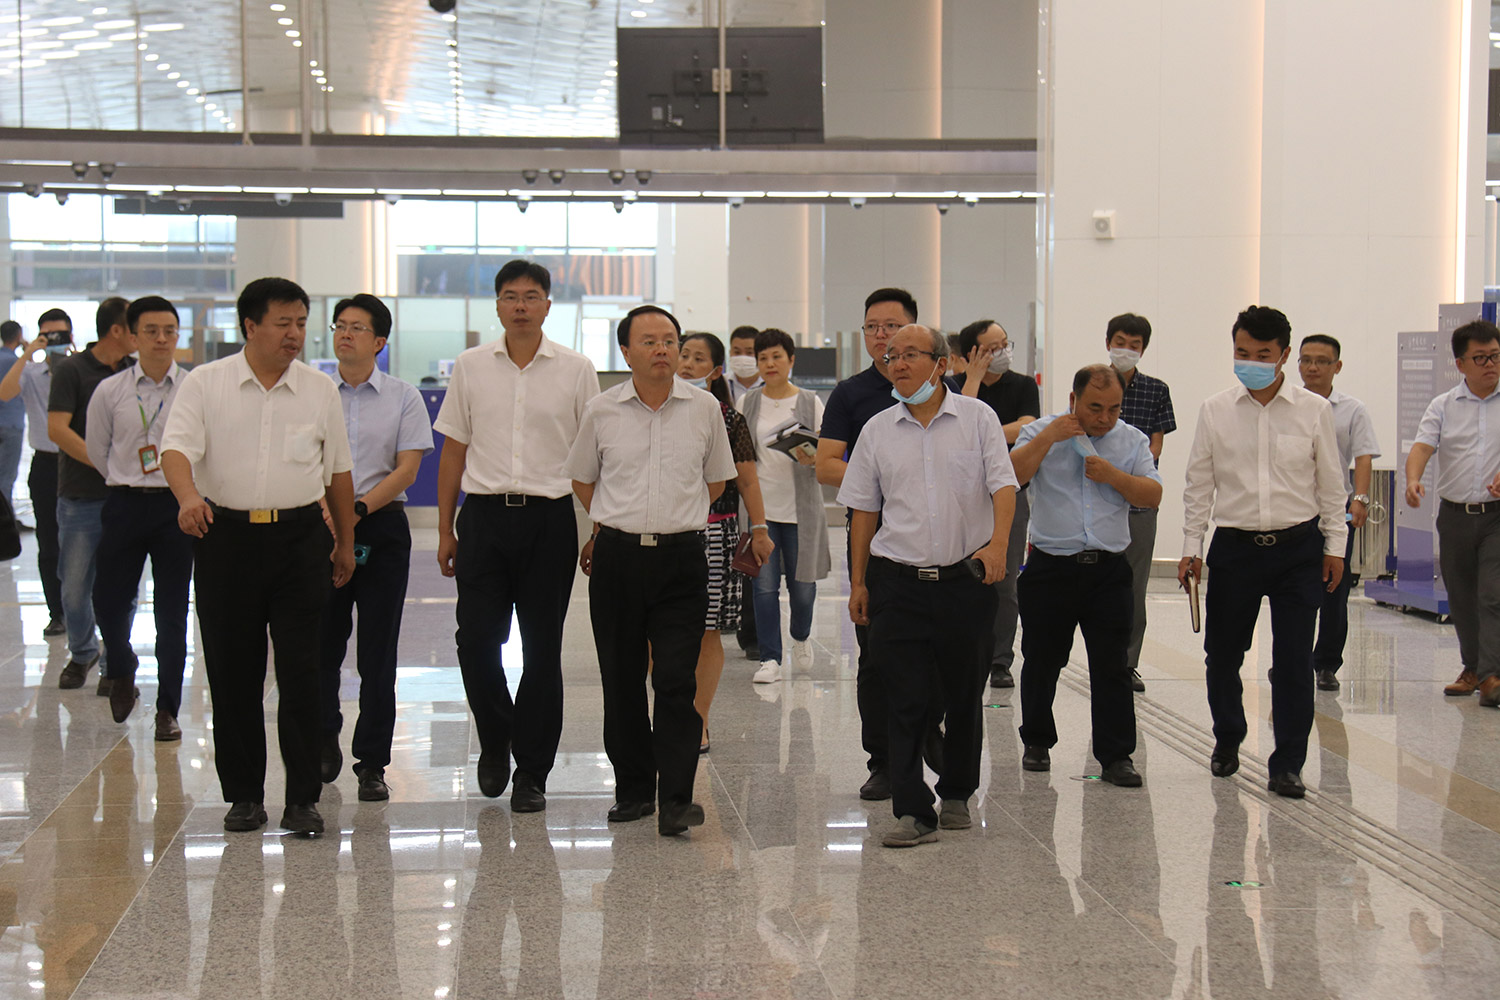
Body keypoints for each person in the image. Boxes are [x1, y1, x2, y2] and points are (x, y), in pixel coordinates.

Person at [162, 276, 356, 836]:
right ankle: (244, 796)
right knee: (233, 671)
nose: (294, 334)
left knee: (302, 671)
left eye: (301, 323)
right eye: (282, 323)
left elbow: (338, 473)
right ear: (250, 326)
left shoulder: (318, 389)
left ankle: (303, 800)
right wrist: (188, 497)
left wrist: (345, 542)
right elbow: (175, 449)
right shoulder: (206, 383)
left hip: (300, 541)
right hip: (226, 539)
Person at [839, 324, 1016, 847]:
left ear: (940, 364)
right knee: (904, 696)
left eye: (909, 354)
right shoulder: (876, 430)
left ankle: (957, 791)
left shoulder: (978, 419)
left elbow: (1003, 486)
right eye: (891, 356)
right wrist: (858, 582)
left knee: (963, 694)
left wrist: (999, 546)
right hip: (897, 582)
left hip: (966, 581)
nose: (896, 363)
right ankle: (912, 810)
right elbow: (863, 510)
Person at [435, 259, 599, 812]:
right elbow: (453, 451)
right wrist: (445, 528)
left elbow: (593, 456)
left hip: (549, 521)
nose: (521, 306)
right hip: (483, 519)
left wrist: (596, 527)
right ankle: (496, 734)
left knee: (541, 648)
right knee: (475, 641)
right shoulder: (471, 366)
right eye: (511, 296)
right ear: (498, 305)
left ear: (548, 305)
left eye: (531, 296)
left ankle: (532, 771)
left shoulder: (576, 369)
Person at [566, 304, 736, 836]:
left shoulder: (704, 408)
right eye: (649, 341)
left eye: (669, 340)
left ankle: (677, 799)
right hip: (617, 559)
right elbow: (583, 479)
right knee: (621, 679)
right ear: (626, 351)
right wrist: (617, 520)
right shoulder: (601, 410)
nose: (662, 349)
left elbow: (716, 481)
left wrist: (672, 515)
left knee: (676, 679)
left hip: (682, 558)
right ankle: (634, 791)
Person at [1179, 305, 1346, 799]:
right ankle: (1228, 736)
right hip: (1235, 549)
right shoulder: (1215, 410)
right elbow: (1198, 484)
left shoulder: (1313, 410)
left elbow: (1330, 484)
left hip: (1298, 548)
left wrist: (1335, 546)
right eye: (1242, 352)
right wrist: (1191, 547)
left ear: (1284, 355)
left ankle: (1288, 763)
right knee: (1222, 654)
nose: (1250, 362)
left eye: (1262, 354)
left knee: (1293, 661)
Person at [1008, 365, 1162, 786]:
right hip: (1051, 567)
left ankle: (1116, 756)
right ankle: (1037, 741)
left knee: (1112, 665)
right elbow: (1012, 476)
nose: (1104, 418)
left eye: (1114, 408)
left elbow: (1152, 494)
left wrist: (1113, 476)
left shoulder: (1131, 440)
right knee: (1042, 660)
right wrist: (1048, 438)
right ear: (1073, 400)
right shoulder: (1040, 431)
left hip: (1108, 571)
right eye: (1095, 408)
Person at [319, 294, 434, 801]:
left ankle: (372, 762)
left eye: (357, 328)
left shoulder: (403, 397)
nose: (346, 334)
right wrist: (330, 512)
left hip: (380, 528)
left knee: (378, 651)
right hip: (321, 527)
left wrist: (358, 509)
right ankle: (323, 738)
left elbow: (407, 469)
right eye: (340, 326)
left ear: (380, 341)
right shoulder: (316, 393)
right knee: (322, 644)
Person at [815, 287, 916, 801]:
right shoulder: (851, 394)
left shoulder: (948, 392)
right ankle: (883, 762)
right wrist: (885, 476)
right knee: (875, 656)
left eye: (892, 326)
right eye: (873, 327)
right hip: (873, 542)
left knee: (935, 656)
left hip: (938, 546)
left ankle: (928, 748)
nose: (882, 335)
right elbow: (826, 464)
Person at [85, 296, 194, 739]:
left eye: (169, 330)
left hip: (176, 507)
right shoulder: (110, 390)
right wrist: (127, 477)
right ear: (133, 337)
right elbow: (98, 450)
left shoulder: (193, 388)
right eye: (151, 331)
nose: (161, 339)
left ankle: (167, 708)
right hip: (125, 503)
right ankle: (121, 663)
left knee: (172, 610)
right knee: (108, 599)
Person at [678, 332, 772, 751]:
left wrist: (760, 528)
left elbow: (747, 480)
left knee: (706, 630)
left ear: (716, 371)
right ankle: (668, 713)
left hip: (715, 531)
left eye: (698, 359)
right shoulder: (653, 414)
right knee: (655, 633)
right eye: (684, 355)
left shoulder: (729, 419)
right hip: (666, 531)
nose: (687, 365)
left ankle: (698, 719)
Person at [1404, 319, 1500, 706]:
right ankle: (1473, 668)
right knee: (1461, 596)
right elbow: (1422, 447)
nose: (1490, 364)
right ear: (1460, 364)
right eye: (1481, 358)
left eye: (1495, 356)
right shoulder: (1443, 405)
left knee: (1492, 595)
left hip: (1497, 517)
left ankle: (1492, 677)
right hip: (1455, 514)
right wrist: (1413, 480)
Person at [48, 297, 136, 692]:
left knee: (123, 587)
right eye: (136, 328)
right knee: (74, 585)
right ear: (116, 330)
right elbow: (57, 429)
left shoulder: (135, 372)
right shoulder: (73, 370)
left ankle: (115, 662)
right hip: (81, 496)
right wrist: (105, 464)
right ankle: (83, 652)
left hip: (128, 497)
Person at [739, 328, 830, 684]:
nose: (769, 363)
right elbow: (741, 454)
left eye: (776, 356)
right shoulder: (748, 402)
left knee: (802, 587)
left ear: (791, 360)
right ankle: (770, 658)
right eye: (762, 358)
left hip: (801, 510)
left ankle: (801, 636)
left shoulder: (810, 401)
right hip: (761, 512)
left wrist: (813, 455)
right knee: (763, 588)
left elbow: (826, 449)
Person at [958, 318, 1040, 689]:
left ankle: (1001, 660)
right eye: (992, 348)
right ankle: (966, 651)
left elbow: (1027, 426)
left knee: (1006, 581)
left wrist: (985, 432)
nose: (1002, 352)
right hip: (965, 496)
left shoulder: (1022, 385)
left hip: (1011, 491)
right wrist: (972, 380)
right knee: (964, 577)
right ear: (971, 354)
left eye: (1004, 344)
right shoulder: (955, 386)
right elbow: (960, 426)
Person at [1298, 333, 1379, 693]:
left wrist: (1359, 499)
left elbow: (1363, 457)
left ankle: (1327, 663)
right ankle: (1294, 659)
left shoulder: (1352, 410)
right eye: (1306, 360)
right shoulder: (1287, 404)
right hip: (1295, 510)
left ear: (1337, 366)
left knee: (1335, 589)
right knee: (1295, 590)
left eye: (1321, 361)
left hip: (1336, 510)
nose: (1312, 367)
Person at [1106, 313, 1176, 693]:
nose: (1126, 350)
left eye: (1134, 345)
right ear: (1108, 343)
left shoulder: (1156, 390)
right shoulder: (1092, 383)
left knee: (1134, 586)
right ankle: (1100, 659)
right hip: (1097, 500)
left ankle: (1127, 663)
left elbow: (1156, 443)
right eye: (1120, 342)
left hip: (1139, 503)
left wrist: (1128, 476)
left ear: (1143, 349)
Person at [0, 310, 70, 637]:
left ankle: (86, 609)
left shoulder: (81, 369)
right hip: (45, 464)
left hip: (79, 463)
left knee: (86, 539)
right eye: (48, 335)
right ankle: (57, 612)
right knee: (49, 542)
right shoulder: (29, 371)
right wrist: (28, 353)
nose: (54, 341)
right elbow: (5, 392)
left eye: (60, 335)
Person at [0, 321, 25, 516]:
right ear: (19, 336)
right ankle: (6, 523)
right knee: (7, 477)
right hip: (11, 425)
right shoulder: (17, 364)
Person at [726, 325, 764, 405]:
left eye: (749, 352)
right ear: (730, 353)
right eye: (737, 352)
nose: (743, 358)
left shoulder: (772, 384)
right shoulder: (720, 383)